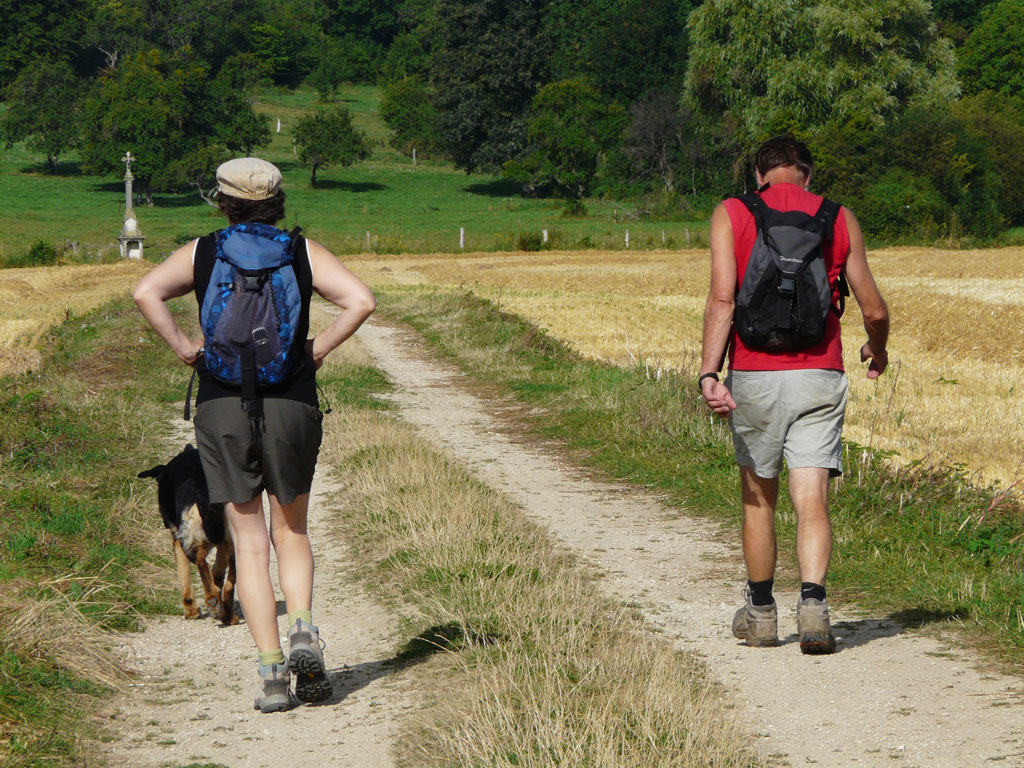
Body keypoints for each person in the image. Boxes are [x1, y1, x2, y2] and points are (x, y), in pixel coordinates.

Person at [134, 157, 376, 709]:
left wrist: (183, 350)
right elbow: (362, 301)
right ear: (278, 200)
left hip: (221, 404)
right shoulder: (300, 251)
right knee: (292, 531)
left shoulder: (203, 251)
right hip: (292, 399)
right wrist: (316, 351)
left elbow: (146, 291)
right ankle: (303, 632)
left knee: (246, 540)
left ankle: (271, 677)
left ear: (222, 200)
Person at [698, 135, 889, 654]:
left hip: (755, 375)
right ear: (806, 175)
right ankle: (814, 609)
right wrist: (878, 348)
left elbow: (722, 298)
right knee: (812, 497)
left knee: (759, 497)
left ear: (759, 175)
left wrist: (708, 373)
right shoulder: (837, 215)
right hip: (820, 374)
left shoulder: (732, 212)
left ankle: (761, 615)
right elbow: (873, 308)